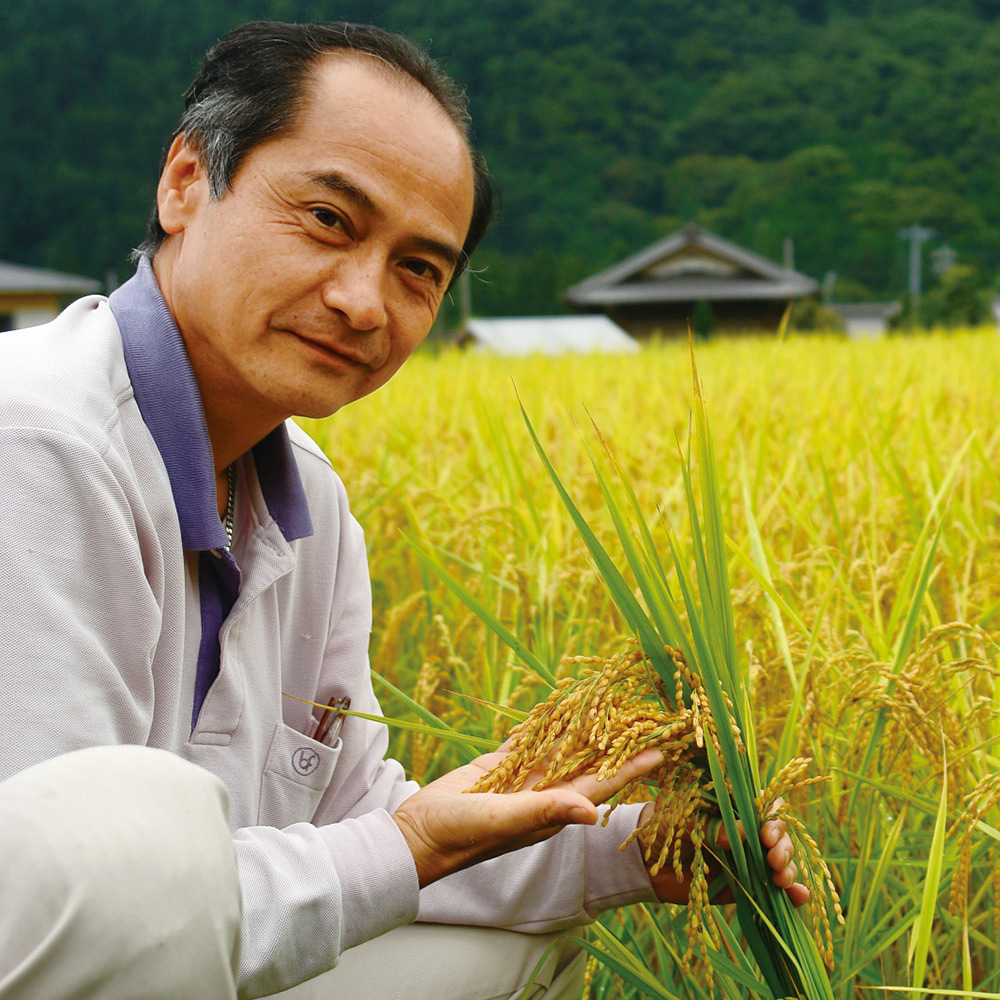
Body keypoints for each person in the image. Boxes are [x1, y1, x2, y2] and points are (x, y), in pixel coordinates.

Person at [0, 20, 805, 1000]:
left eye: (418, 268)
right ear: (184, 184)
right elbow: (78, 899)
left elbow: (348, 818)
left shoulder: (311, 503)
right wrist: (405, 844)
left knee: (507, 949)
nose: (363, 301)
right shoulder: (38, 439)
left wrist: (631, 853)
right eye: (331, 220)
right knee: (146, 821)